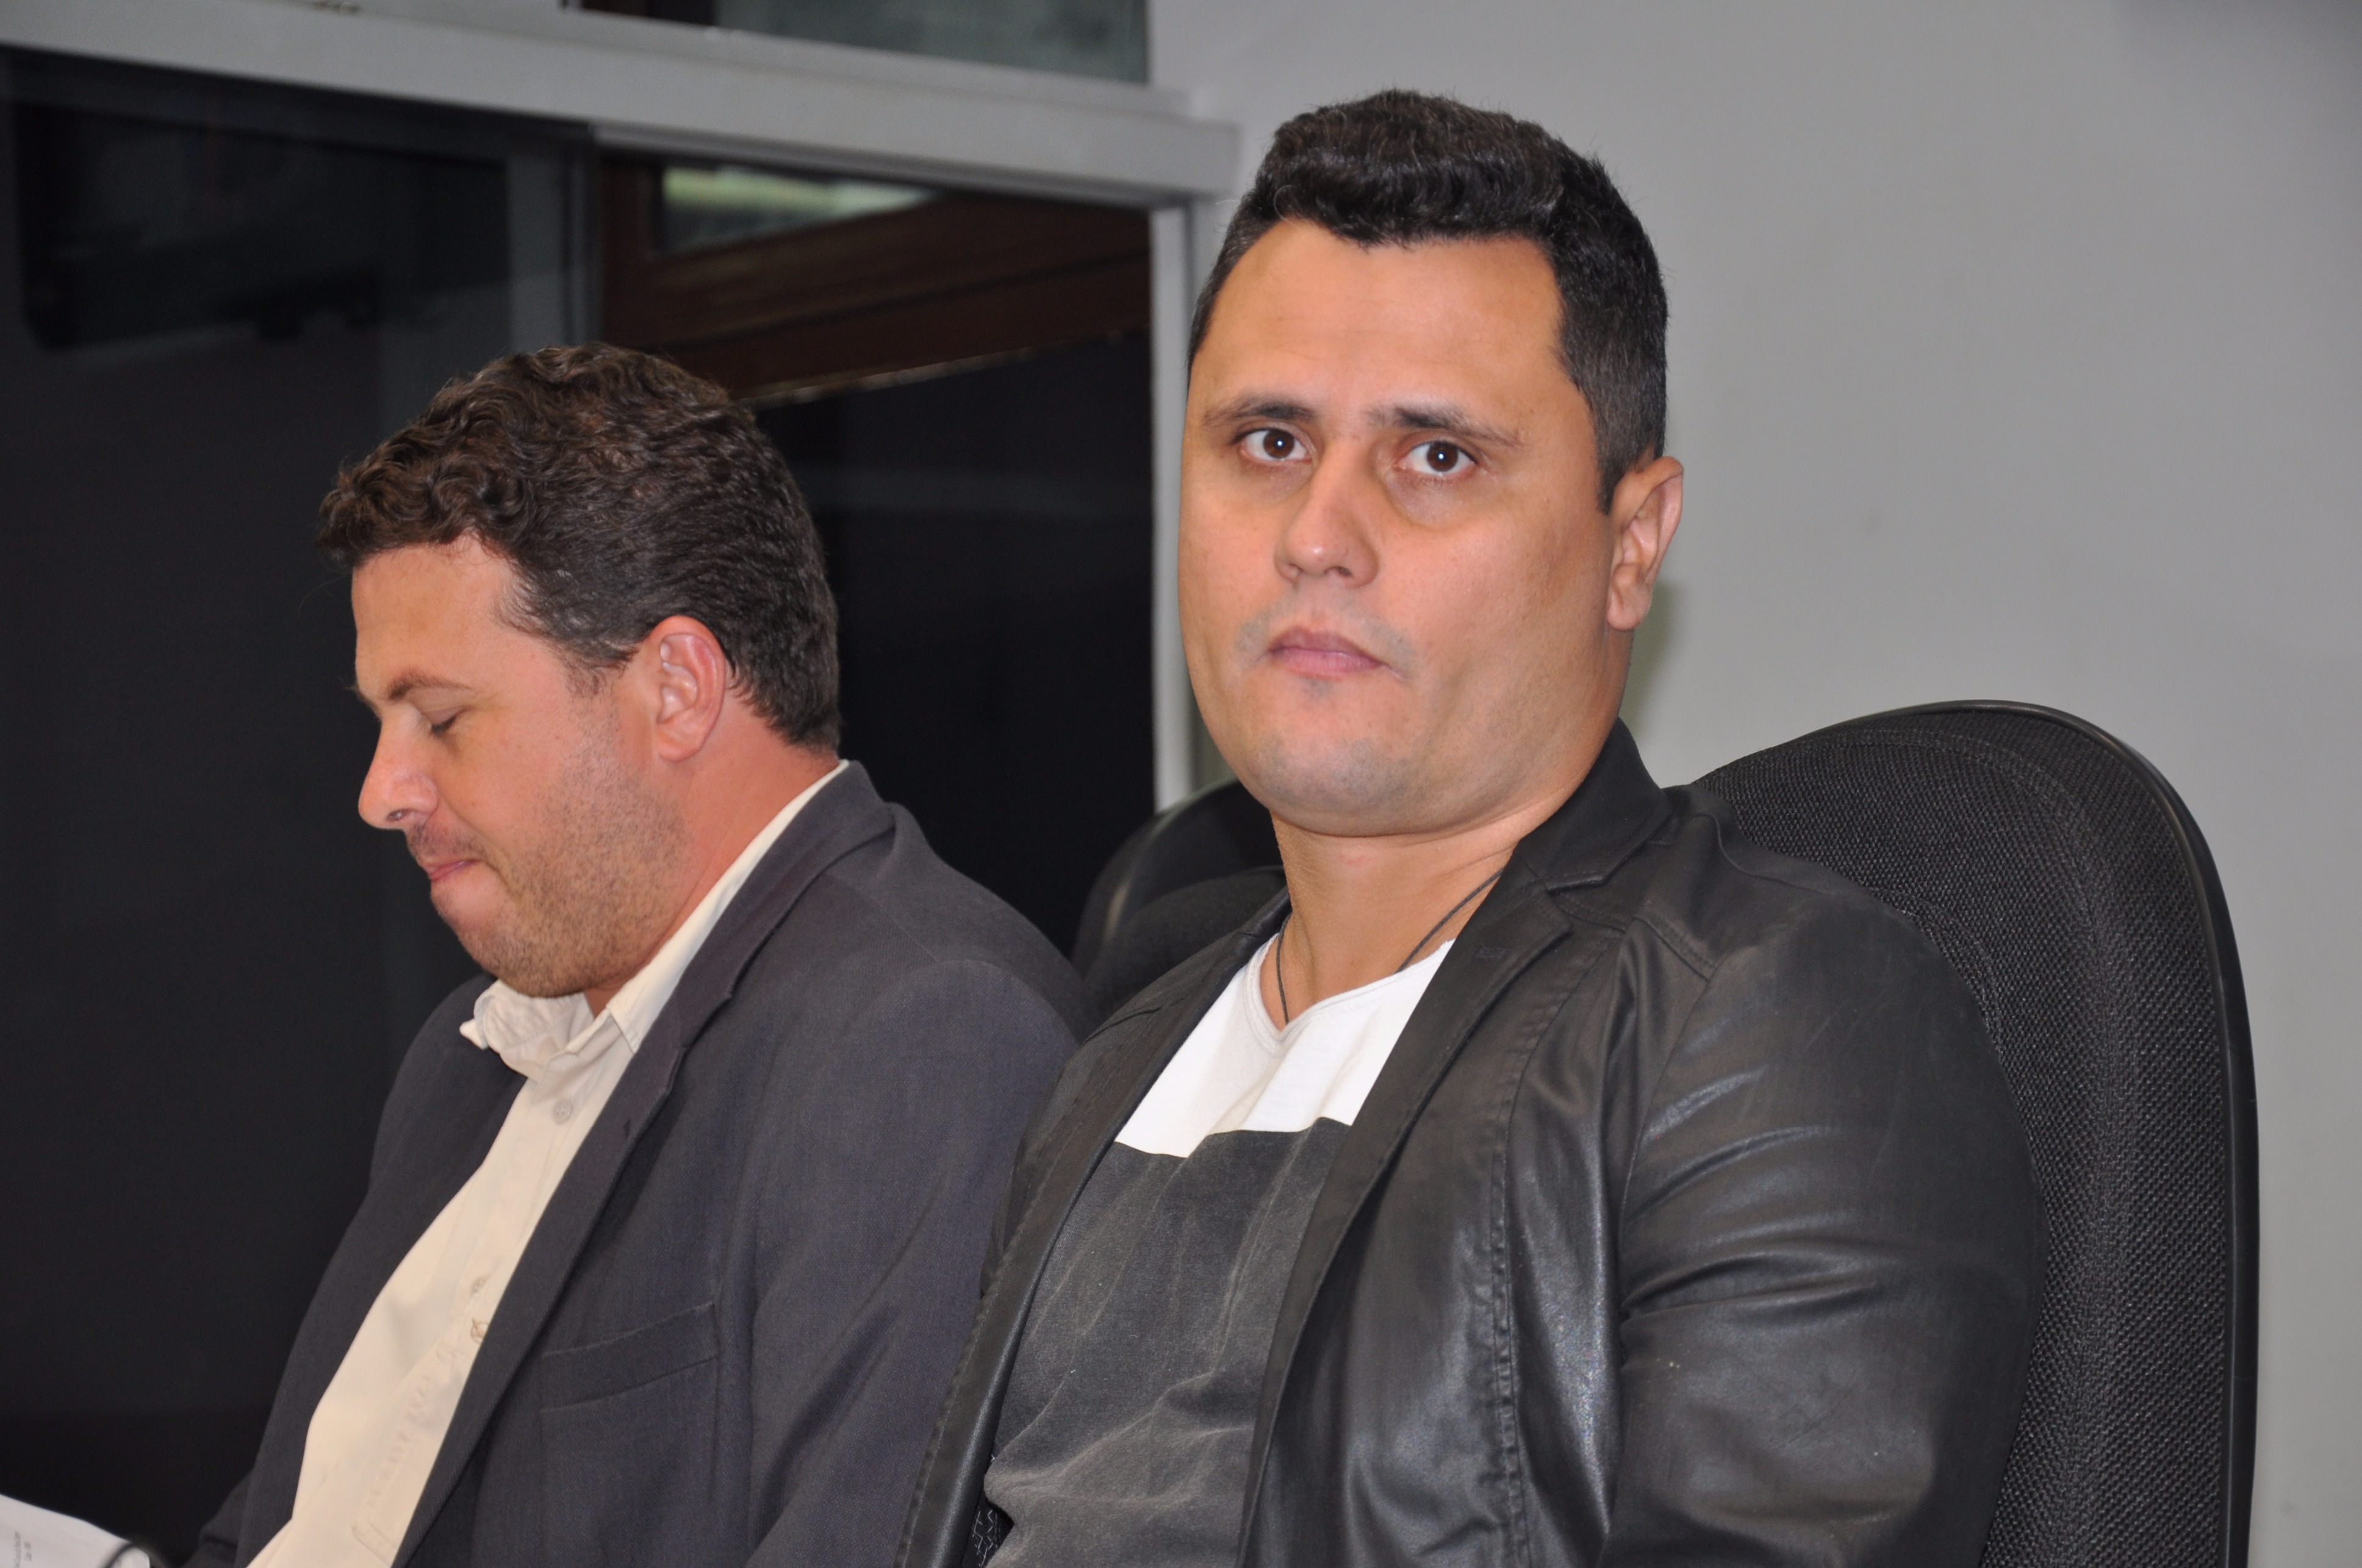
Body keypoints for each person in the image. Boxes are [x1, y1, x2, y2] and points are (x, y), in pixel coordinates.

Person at [899, 91, 2042, 1568]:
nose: (1317, 535)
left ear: (1630, 544)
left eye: (1435, 456)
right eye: (1267, 440)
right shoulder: (1116, 1061)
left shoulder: (1769, 1027)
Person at [188, 345, 1089, 1568]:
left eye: (440, 718)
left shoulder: (923, 1038)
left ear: (676, 688)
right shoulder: (468, 1056)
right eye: (382, 724)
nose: (381, 791)